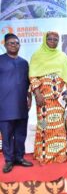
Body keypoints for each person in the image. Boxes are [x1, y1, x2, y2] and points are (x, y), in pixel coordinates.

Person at [29, 31, 67, 164]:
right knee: (44, 126)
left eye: (56, 39)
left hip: (58, 101)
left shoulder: (62, 57)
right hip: (43, 100)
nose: (53, 41)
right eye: (50, 39)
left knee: (59, 127)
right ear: (45, 40)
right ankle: (44, 155)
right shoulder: (37, 56)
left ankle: (60, 155)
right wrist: (37, 94)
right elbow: (32, 76)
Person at [0, 33, 33, 173]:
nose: (14, 45)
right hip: (4, 106)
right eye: (11, 43)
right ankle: (9, 161)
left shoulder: (24, 63)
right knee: (7, 136)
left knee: (21, 134)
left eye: (16, 43)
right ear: (5, 45)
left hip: (21, 105)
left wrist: (29, 98)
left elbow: (28, 83)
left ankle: (19, 157)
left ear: (20, 45)